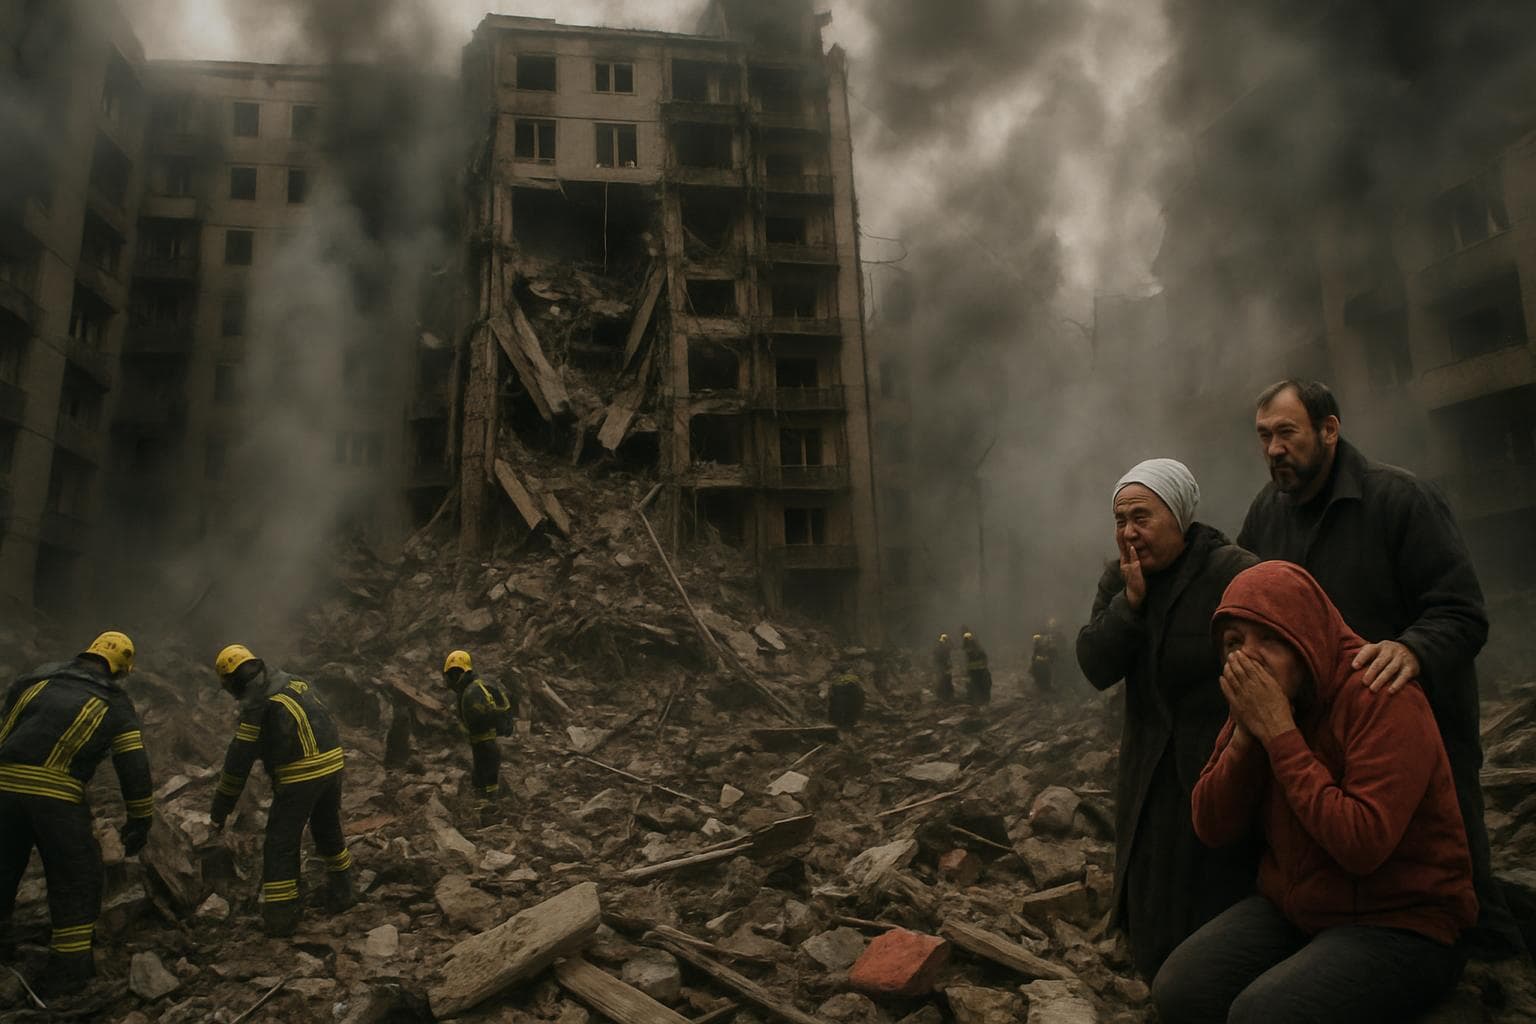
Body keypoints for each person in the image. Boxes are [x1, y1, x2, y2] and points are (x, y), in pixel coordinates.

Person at [1236, 379, 1514, 954]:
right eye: (1264, 437)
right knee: (1345, 864)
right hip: (1323, 735)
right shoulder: (1267, 514)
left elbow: (1462, 613)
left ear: (1329, 430)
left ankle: (1488, 973)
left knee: (1456, 880)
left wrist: (1412, 647)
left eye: (1286, 433)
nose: (1273, 450)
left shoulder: (1401, 499)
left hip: (1420, 729)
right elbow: (1244, 601)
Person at [1151, 561, 1476, 1023]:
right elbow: (1211, 824)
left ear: (1304, 636)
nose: (1251, 656)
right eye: (1234, 643)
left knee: (1261, 1015)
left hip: (1404, 921)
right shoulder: (1266, 698)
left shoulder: (1379, 694)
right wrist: (1246, 737)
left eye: (1269, 638)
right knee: (1180, 989)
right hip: (1302, 906)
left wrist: (1281, 735)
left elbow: (1362, 845)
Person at [1076, 458, 1259, 976]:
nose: (1129, 532)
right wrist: (1129, 606)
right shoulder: (1121, 577)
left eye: (1142, 517)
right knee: (1153, 900)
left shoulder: (1233, 570)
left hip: (1217, 764)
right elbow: (1094, 663)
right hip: (1148, 770)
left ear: (1178, 515)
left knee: (1214, 895)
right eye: (1120, 520)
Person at [0, 632, 153, 991]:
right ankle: (69, 974)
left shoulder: (33, 681)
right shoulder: (114, 703)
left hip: (1, 788)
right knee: (77, 879)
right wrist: (140, 820)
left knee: (2, 870)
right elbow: (133, 766)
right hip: (54, 796)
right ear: (120, 669)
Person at [211, 644, 355, 937]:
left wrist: (221, 805)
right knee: (327, 829)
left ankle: (280, 917)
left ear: (233, 681)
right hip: (333, 764)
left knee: (280, 843)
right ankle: (346, 891)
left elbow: (239, 759)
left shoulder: (257, 704)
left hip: (301, 774)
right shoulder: (292, 679)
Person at [442, 650, 513, 804]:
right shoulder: (470, 690)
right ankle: (485, 805)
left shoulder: (472, 692)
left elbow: (478, 722)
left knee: (487, 778)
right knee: (480, 777)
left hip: (485, 744)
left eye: (449, 675)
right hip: (481, 743)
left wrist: (457, 728)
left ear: (456, 674)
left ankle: (492, 809)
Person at [960, 628, 991, 704]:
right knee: (976, 687)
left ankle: (983, 701)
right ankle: (979, 701)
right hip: (975, 671)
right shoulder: (969, 645)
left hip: (979, 671)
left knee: (981, 686)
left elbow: (982, 657)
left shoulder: (975, 646)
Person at [1029, 619, 1060, 694]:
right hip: (1042, 659)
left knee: (1049, 671)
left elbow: (1055, 650)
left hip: (1049, 658)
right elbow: (1035, 652)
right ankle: (1040, 686)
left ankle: (1047, 686)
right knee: (1037, 669)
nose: (1052, 627)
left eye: (1053, 625)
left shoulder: (1058, 635)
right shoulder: (1043, 635)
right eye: (1051, 625)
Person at [932, 633, 955, 703]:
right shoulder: (943, 648)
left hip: (942, 668)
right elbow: (944, 658)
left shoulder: (939, 647)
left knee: (943, 681)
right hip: (943, 668)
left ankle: (943, 696)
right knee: (945, 681)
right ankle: (945, 697)